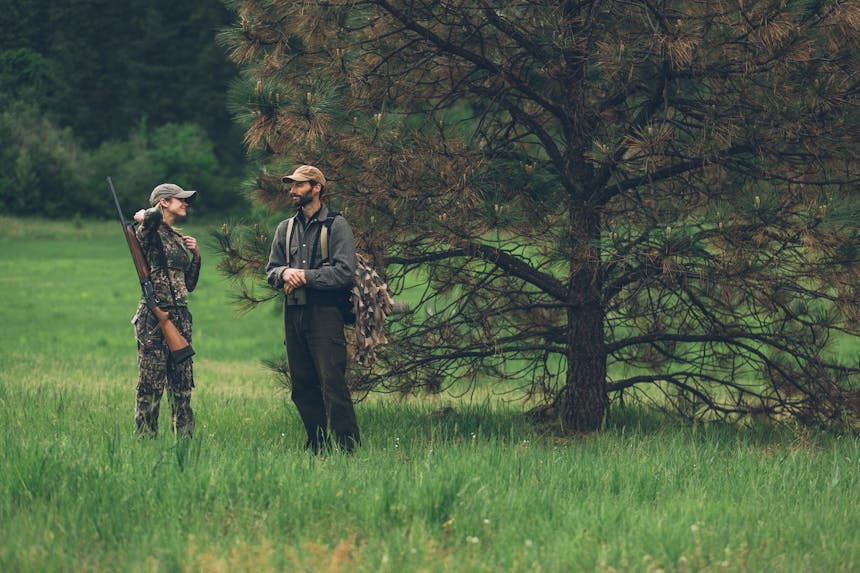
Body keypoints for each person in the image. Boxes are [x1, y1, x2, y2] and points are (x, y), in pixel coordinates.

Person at [266, 165, 360, 453]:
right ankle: (317, 447)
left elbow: (345, 272)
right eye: (291, 186)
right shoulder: (285, 228)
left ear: (316, 187)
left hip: (325, 313)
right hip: (293, 313)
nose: (292, 191)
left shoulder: (337, 225)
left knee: (332, 384)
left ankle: (348, 449)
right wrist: (284, 274)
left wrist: (305, 276)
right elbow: (270, 271)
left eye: (298, 185)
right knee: (302, 386)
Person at [131, 183, 201, 438]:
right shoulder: (150, 231)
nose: (185, 203)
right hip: (154, 316)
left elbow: (189, 284)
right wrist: (143, 214)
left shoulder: (177, 238)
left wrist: (197, 256)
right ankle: (146, 442)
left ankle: (185, 441)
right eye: (179, 200)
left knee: (182, 384)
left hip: (180, 317)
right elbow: (146, 220)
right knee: (151, 384)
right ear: (163, 203)